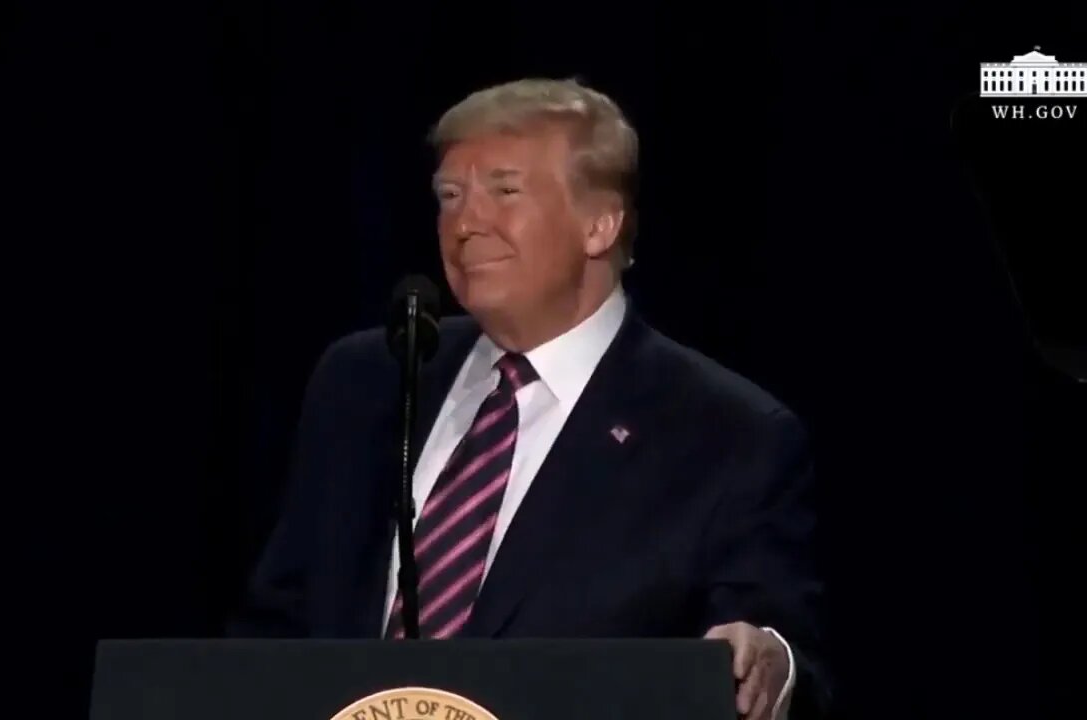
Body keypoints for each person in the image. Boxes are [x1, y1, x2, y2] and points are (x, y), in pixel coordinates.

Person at [230, 78, 831, 720]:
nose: (464, 223)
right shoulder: (367, 380)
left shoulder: (726, 432)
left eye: (504, 191)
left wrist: (768, 655)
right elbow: (278, 625)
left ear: (600, 224)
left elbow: (771, 638)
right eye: (449, 196)